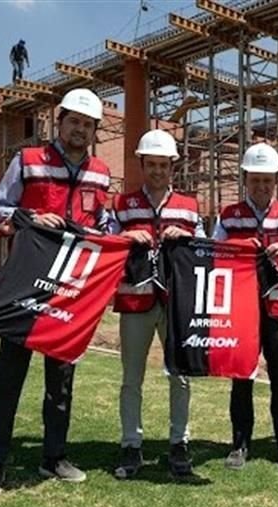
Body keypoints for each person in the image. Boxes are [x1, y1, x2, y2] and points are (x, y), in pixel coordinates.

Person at [0, 88, 111, 499]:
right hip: (26, 285)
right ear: (60, 121)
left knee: (62, 379)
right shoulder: (29, 161)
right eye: (74, 121)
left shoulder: (101, 172)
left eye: (87, 124)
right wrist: (31, 217)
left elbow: (104, 223)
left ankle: (54, 456)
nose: (80, 129)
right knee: (9, 376)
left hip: (70, 290)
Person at [110, 129, 204, 479]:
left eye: (164, 165)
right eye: (152, 165)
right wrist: (125, 237)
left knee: (179, 376)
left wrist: (188, 238)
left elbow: (204, 251)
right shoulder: (121, 205)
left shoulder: (190, 206)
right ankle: (130, 444)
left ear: (172, 167)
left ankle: (179, 442)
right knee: (131, 378)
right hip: (134, 301)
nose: (158, 172)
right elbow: (105, 243)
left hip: (175, 304)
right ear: (141, 164)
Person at [212, 142, 278, 474]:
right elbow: (215, 255)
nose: (261, 186)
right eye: (255, 179)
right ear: (245, 179)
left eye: (267, 180)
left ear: (276, 180)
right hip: (242, 312)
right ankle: (240, 444)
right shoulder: (229, 215)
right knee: (242, 378)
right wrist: (238, 247)